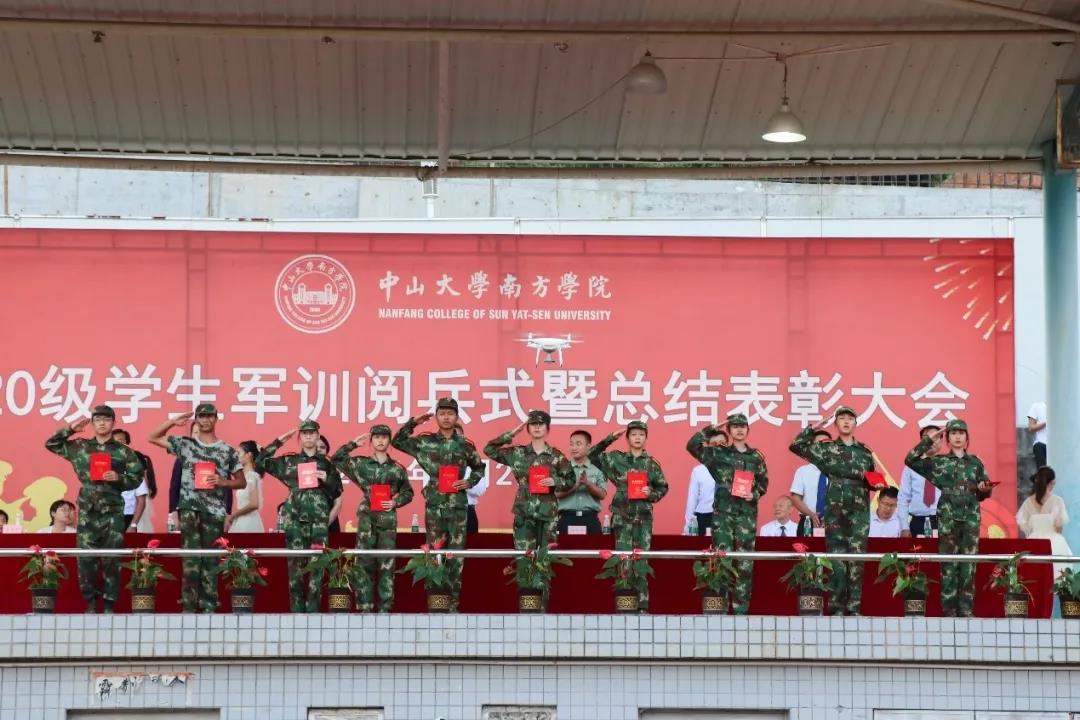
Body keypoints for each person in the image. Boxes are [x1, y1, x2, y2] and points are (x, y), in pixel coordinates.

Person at [45, 404, 143, 613]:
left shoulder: (123, 451)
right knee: (86, 559)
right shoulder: (80, 446)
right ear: (91, 423)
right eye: (98, 419)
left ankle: (108, 604)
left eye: (106, 419)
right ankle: (90, 602)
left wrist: (119, 478)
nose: (102, 423)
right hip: (88, 511)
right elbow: (51, 444)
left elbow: (136, 478)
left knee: (112, 559)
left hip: (113, 511)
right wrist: (70, 429)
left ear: (113, 423)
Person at [149, 404, 246, 613]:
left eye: (209, 416)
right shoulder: (185, 444)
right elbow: (152, 437)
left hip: (214, 511)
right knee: (191, 561)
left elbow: (241, 482)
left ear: (216, 419)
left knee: (211, 561)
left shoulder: (227, 450)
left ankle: (209, 608)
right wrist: (172, 422)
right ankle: (189, 609)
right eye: (202, 416)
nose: (205, 420)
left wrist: (222, 482)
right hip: (189, 510)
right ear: (197, 419)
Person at [392, 397, 486, 612]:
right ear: (436, 416)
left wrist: (469, 482)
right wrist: (413, 423)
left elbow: (479, 467)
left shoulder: (465, 445)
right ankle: (435, 603)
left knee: (456, 554)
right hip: (435, 504)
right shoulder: (424, 441)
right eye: (442, 413)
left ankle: (453, 605)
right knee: (434, 552)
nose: (446, 417)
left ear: (457, 416)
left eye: (450, 413)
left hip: (458, 506)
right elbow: (397, 441)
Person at [789, 406, 877, 616]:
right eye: (842, 418)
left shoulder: (865, 452)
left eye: (850, 419)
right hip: (836, 510)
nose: (846, 422)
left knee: (857, 559)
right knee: (836, 558)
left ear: (856, 423)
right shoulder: (826, 449)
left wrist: (877, 483)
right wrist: (815, 427)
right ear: (836, 424)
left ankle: (853, 608)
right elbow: (796, 445)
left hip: (859, 511)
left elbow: (872, 478)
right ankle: (836, 607)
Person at [484, 410, 576, 603]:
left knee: (545, 559)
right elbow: (489, 449)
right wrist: (512, 433)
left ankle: (543, 604)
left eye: (541, 424)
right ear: (527, 428)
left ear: (547, 428)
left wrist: (556, 481)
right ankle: (527, 604)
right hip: (524, 511)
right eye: (533, 424)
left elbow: (571, 480)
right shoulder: (517, 453)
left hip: (548, 513)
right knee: (524, 558)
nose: (537, 427)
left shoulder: (556, 456)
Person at [904, 418, 993, 617]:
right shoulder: (939, 462)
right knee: (948, 565)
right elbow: (910, 460)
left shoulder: (976, 463)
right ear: (947, 438)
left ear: (967, 437)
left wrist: (984, 489)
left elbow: (984, 492)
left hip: (970, 517)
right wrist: (930, 439)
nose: (957, 437)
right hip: (948, 517)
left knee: (969, 566)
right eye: (953, 433)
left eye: (961, 433)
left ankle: (966, 612)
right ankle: (949, 613)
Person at [256, 420, 343, 613]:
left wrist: (326, 479)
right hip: (294, 521)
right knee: (295, 567)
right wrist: (279, 441)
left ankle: (313, 612)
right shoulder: (289, 461)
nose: (309, 436)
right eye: (305, 433)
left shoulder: (327, 464)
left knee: (318, 566)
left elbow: (337, 490)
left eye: (312, 433)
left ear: (318, 436)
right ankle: (296, 613)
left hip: (319, 522)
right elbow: (260, 461)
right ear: (300, 437)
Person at [687, 414, 768, 615]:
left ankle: (741, 610)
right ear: (729, 430)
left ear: (748, 430)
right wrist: (712, 427)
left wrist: (754, 494)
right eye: (735, 426)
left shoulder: (756, 457)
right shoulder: (718, 453)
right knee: (722, 559)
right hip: (723, 514)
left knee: (745, 562)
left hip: (746, 516)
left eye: (743, 426)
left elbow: (763, 483)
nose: (739, 430)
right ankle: (719, 608)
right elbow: (692, 446)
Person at [332, 424, 414, 613]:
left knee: (386, 564)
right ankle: (364, 608)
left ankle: (385, 609)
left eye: (384, 437)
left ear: (389, 441)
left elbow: (408, 492)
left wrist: (395, 502)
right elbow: (336, 459)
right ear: (371, 441)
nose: (380, 440)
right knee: (364, 562)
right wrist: (353, 444)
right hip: (367, 519)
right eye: (376, 437)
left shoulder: (397, 468)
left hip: (387, 519)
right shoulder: (361, 464)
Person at [589, 420, 668, 612]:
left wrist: (651, 493)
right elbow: (592, 455)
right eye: (633, 434)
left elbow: (663, 487)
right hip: (622, 516)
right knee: (623, 559)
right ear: (627, 438)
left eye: (641, 434)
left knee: (641, 560)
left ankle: (642, 606)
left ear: (646, 438)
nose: (637, 438)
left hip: (643, 518)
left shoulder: (652, 464)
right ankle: (624, 605)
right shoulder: (616, 459)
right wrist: (610, 438)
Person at [1017, 466, 1072, 578]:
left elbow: (1024, 525)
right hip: (1054, 543)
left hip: (1033, 542)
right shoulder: (1057, 501)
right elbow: (1059, 527)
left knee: (1034, 576)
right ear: (1052, 483)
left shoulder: (1028, 502)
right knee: (1057, 576)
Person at [556, 430, 607, 535]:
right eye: (571, 444)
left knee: (593, 546)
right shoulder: (562, 469)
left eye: (578, 444)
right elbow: (556, 494)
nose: (574, 448)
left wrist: (588, 484)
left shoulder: (597, 470)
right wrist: (575, 486)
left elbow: (602, 494)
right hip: (567, 518)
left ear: (588, 446)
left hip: (590, 519)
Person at [897, 424, 942, 537]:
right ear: (922, 442)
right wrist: (904, 526)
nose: (932, 441)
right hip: (918, 521)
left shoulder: (947, 465)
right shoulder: (911, 466)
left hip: (943, 521)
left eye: (936, 437)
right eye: (928, 438)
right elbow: (903, 498)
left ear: (941, 441)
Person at [683, 430, 728, 536]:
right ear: (707, 447)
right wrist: (688, 527)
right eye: (714, 444)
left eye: (722, 443)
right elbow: (692, 500)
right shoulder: (699, 470)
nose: (718, 447)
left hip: (727, 518)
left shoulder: (735, 468)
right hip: (704, 517)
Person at [112, 429, 157, 533]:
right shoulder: (104, 465)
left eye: (120, 441)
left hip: (129, 515)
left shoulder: (135, 465)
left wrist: (133, 524)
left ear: (127, 443)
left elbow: (141, 500)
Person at [788, 429, 831, 536]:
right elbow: (796, 498)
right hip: (807, 521)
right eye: (818, 443)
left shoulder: (837, 471)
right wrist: (811, 514)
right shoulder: (803, 471)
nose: (822, 446)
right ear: (811, 447)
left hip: (832, 523)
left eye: (826, 443)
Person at [227, 440, 264, 533]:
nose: (236, 455)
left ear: (249, 455)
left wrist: (233, 515)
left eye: (238, 453)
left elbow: (254, 504)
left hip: (248, 523)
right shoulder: (244, 477)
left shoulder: (252, 476)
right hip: (241, 521)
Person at [319, 434, 344, 534]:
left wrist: (325, 524)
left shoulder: (332, 472)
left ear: (327, 450)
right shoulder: (302, 469)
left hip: (329, 524)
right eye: (315, 447)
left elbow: (338, 502)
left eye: (322, 447)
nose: (319, 449)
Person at [1028, 401, 1047, 468]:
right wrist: (1046, 423)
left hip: (1058, 444)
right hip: (1042, 443)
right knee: (1038, 447)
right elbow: (1031, 427)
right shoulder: (1037, 406)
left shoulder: (1064, 408)